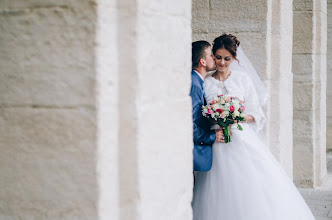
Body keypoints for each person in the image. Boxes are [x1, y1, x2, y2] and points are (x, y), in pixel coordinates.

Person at [192, 34, 315, 220]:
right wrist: (215, 118)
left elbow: (256, 114)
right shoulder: (205, 82)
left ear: (234, 58)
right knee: (218, 189)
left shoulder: (242, 80)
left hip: (240, 140)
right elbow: (200, 115)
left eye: (227, 58)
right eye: (217, 57)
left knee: (248, 186)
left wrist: (236, 117)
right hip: (216, 143)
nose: (222, 62)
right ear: (212, 57)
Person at [190, 41, 225, 172]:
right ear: (203, 62)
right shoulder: (194, 84)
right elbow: (189, 125)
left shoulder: (198, 81)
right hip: (192, 153)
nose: (215, 58)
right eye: (211, 55)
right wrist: (212, 136)